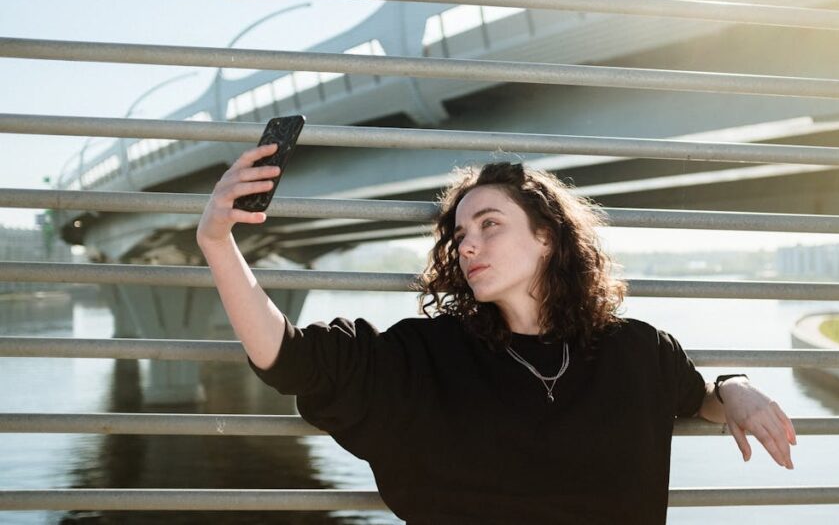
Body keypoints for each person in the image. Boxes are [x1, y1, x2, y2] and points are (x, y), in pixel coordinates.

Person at [197, 144, 797, 525]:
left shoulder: (635, 349)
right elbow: (290, 358)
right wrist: (217, 243)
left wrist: (738, 386)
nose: (469, 245)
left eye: (490, 224)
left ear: (548, 238)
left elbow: (698, 399)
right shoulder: (425, 354)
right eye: (459, 235)